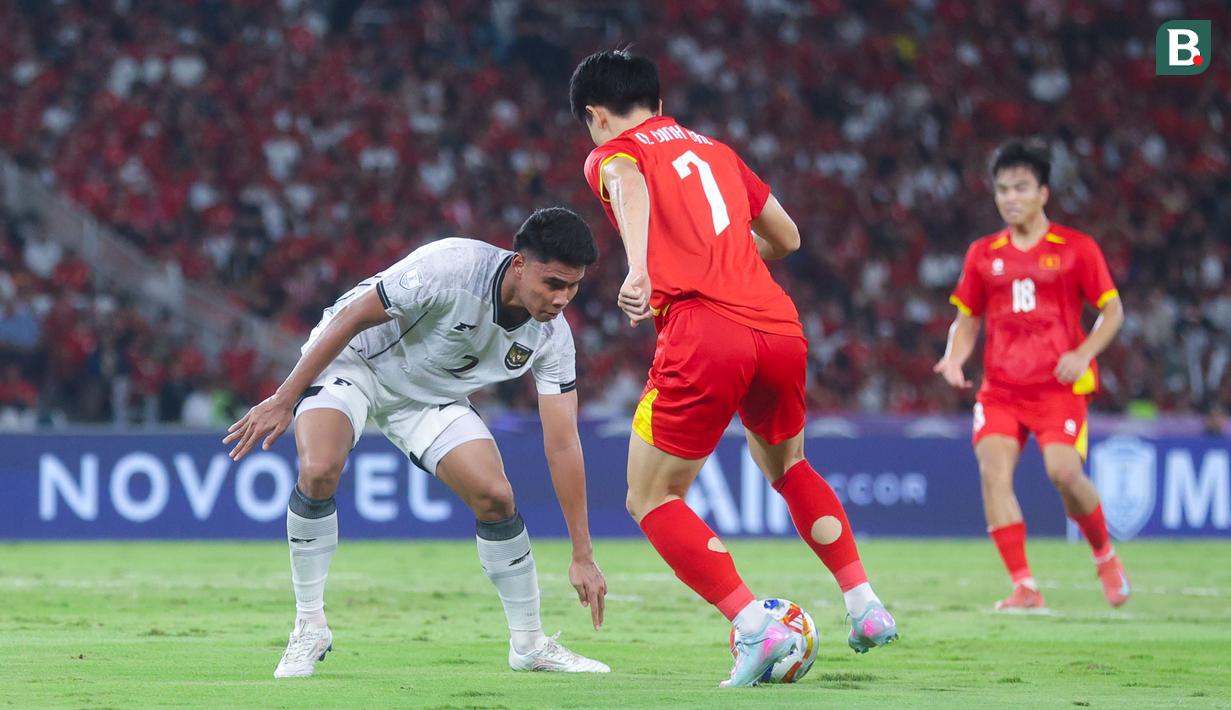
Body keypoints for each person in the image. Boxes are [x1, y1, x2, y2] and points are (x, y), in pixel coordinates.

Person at [569, 50, 897, 688]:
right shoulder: (717, 151)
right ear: (660, 103)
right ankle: (865, 605)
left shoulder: (613, 152)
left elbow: (627, 183)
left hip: (703, 329)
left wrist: (639, 266)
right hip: (778, 327)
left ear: (595, 115)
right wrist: (727, 251)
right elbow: (788, 238)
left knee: (650, 496)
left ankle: (754, 626)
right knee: (790, 467)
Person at [224, 207, 610, 677]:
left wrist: (582, 553)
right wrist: (284, 399)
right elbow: (349, 318)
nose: (561, 299)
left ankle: (529, 645)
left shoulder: (552, 337)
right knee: (319, 468)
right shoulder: (451, 267)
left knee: (496, 496)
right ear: (519, 265)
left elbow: (564, 443)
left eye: (573, 287)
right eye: (553, 284)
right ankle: (310, 625)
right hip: (355, 363)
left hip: (430, 395)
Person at [934, 139, 1130, 611]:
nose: (1010, 198)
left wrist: (1084, 353)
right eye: (1002, 190)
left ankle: (1104, 554)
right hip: (1000, 389)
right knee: (992, 472)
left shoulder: (1076, 249)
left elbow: (1113, 311)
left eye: (1020, 188)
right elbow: (968, 318)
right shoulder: (983, 253)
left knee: (1063, 473)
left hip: (1057, 388)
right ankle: (1025, 586)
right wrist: (955, 357)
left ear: (1043, 193)